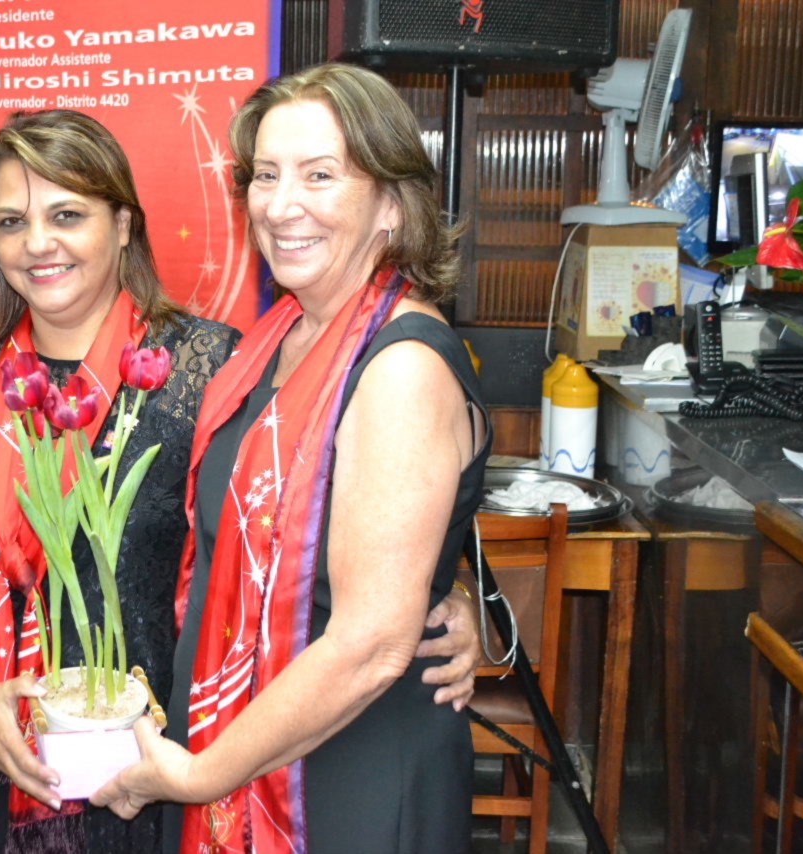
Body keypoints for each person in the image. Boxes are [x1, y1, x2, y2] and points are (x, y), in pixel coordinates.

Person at [0, 109, 482, 854]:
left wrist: (446, 594)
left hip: (169, 760)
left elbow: (311, 518)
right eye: (11, 222)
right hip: (1, 750)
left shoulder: (208, 367)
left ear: (122, 225)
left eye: (67, 215)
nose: (37, 243)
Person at [91, 63, 492, 854]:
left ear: (391, 203)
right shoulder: (276, 340)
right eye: (265, 176)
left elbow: (371, 642)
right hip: (253, 738)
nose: (280, 205)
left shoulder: (401, 366)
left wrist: (198, 776)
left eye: (319, 175)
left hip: (350, 769)